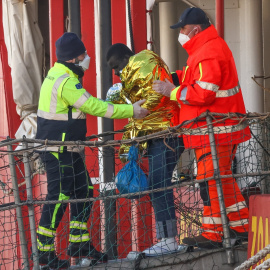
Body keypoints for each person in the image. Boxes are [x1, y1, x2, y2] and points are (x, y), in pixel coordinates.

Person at [34, 32, 149, 269]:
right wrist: (131, 111)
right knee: (59, 196)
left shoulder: (59, 75)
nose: (87, 57)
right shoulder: (66, 82)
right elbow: (94, 106)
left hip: (68, 147)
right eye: (84, 54)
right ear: (73, 58)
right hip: (59, 149)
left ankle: (79, 243)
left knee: (84, 190)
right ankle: (44, 254)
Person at [152, 7, 251, 249]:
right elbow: (191, 77)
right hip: (215, 130)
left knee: (211, 180)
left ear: (195, 29)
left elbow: (203, 93)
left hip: (216, 131)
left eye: (183, 29)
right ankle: (242, 227)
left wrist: (171, 91)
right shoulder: (204, 49)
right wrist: (173, 79)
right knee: (221, 180)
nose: (181, 34)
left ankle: (214, 233)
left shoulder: (209, 51)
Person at [106, 44, 185, 256]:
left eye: (116, 66)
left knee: (159, 184)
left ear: (126, 57)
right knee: (157, 184)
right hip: (156, 136)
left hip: (166, 134)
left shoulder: (145, 62)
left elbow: (156, 99)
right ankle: (166, 238)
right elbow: (136, 113)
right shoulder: (132, 79)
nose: (116, 72)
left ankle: (168, 240)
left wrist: (142, 110)